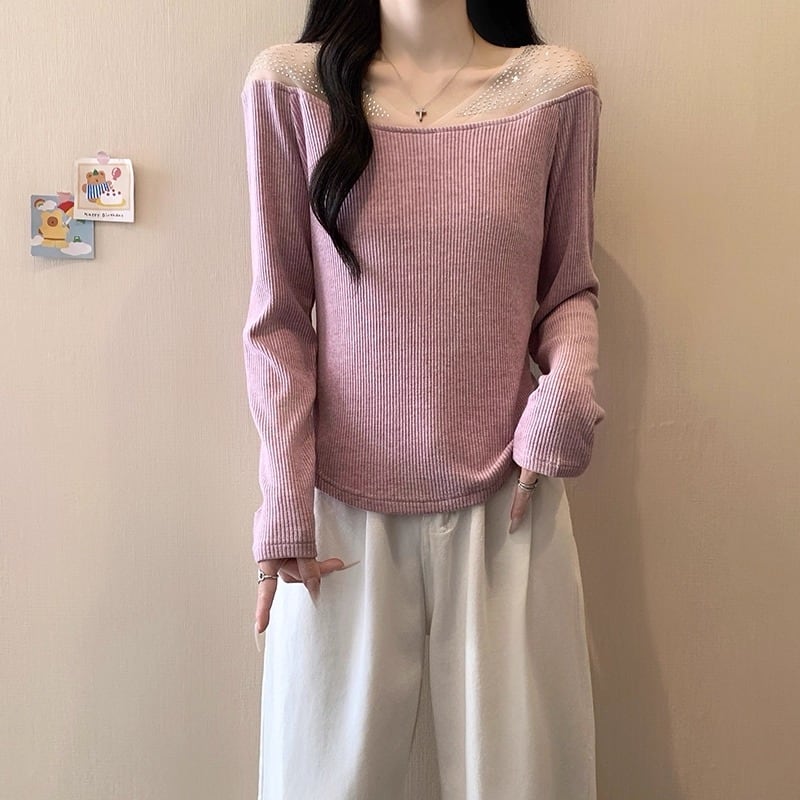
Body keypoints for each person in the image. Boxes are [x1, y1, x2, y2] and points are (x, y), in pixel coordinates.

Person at [240, 0, 606, 796]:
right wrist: (283, 502)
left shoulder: (554, 89)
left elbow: (568, 288)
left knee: (524, 781)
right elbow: (278, 320)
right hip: (339, 526)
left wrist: (567, 394)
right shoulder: (291, 88)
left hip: (508, 507)